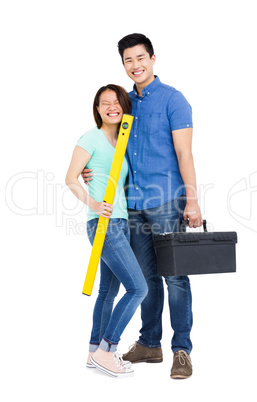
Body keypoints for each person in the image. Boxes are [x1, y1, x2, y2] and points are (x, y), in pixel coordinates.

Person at [82, 34, 202, 379]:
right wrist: (90, 169)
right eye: (128, 61)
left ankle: (182, 350)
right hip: (131, 206)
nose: (135, 66)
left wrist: (191, 200)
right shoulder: (123, 103)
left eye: (140, 58)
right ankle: (150, 342)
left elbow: (184, 153)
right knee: (146, 278)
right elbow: (107, 144)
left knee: (175, 277)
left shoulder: (173, 100)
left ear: (152, 58)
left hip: (167, 201)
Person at [65, 84, 148, 378]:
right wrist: (94, 204)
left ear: (124, 106)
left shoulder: (121, 143)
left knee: (107, 291)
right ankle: (107, 349)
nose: (111, 106)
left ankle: (92, 353)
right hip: (105, 224)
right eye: (105, 103)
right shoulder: (91, 137)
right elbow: (71, 178)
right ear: (97, 109)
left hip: (121, 223)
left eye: (117, 101)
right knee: (139, 288)